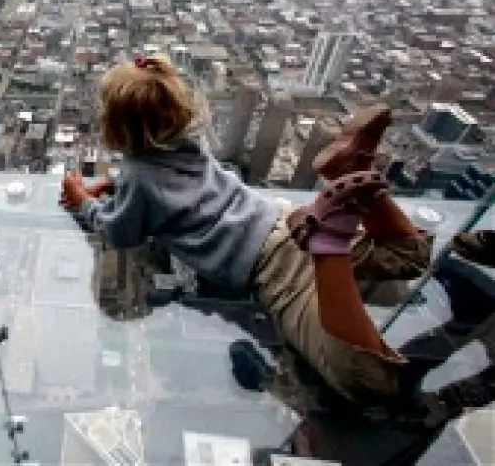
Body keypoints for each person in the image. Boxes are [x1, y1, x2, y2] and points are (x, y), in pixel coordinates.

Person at [59, 54, 432, 405]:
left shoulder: (139, 179)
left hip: (271, 268)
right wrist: (116, 187)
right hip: (283, 220)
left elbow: (120, 232)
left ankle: (329, 241)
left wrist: (83, 202)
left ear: (115, 127)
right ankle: (355, 170)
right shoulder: (190, 144)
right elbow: (165, 186)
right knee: (407, 258)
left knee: (369, 382)